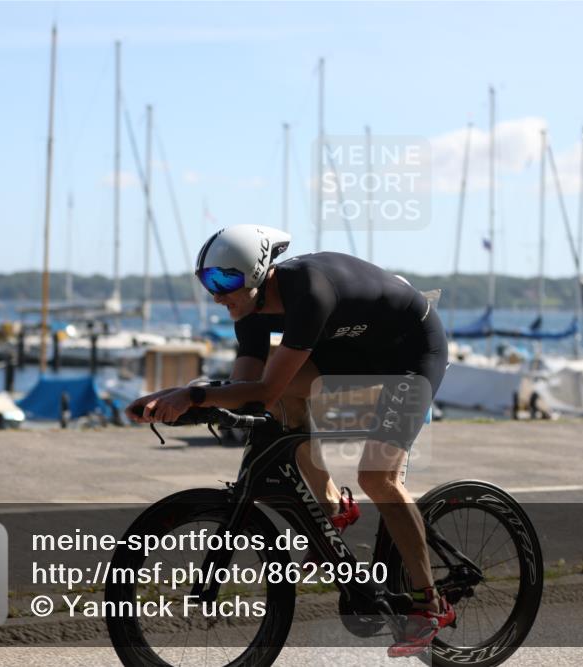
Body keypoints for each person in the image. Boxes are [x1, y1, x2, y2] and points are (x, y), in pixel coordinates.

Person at [127, 224, 452, 657]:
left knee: (377, 476)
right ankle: (332, 509)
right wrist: (175, 402)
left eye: (225, 281)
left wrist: (190, 395)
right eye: (207, 281)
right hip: (354, 345)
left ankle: (429, 603)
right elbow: (243, 392)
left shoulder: (309, 294)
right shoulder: (248, 310)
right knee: (282, 409)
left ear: (259, 274)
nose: (217, 293)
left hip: (412, 349)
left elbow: (261, 390)